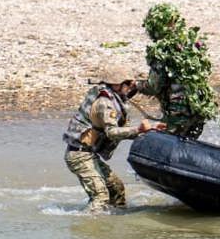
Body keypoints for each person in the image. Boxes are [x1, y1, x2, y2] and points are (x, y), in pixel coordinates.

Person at [62, 65, 166, 213]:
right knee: (100, 197)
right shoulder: (105, 103)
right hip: (79, 156)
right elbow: (112, 132)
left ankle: (115, 221)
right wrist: (139, 130)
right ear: (117, 85)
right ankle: (89, 228)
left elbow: (128, 97)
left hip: (89, 154)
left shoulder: (111, 94)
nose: (132, 86)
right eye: (128, 84)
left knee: (116, 188)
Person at [137, 2, 218, 139]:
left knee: (159, 144)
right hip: (198, 112)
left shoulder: (161, 50)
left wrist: (136, 86)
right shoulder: (191, 44)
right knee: (186, 147)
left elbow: (153, 86)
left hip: (178, 114)